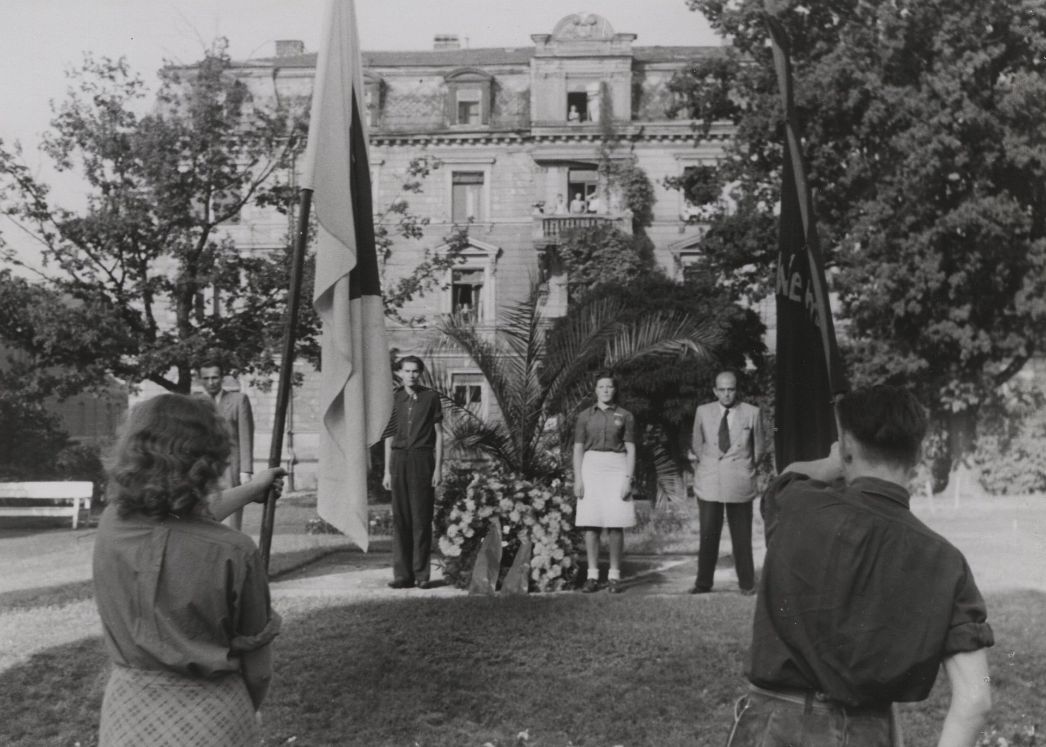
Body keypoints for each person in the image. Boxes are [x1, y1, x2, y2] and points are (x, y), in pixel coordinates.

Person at [727, 385, 993, 746]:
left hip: (775, 727)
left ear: (847, 446)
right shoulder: (947, 562)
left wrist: (833, 462)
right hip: (867, 734)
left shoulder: (797, 506)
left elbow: (788, 477)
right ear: (919, 453)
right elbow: (976, 700)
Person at [93, 394, 285, 746]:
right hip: (212, 720)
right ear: (210, 460)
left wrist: (252, 489)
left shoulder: (112, 526)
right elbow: (258, 673)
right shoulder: (235, 552)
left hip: (127, 718)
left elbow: (177, 523)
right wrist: (239, 711)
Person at [690, 370, 766, 595]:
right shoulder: (702, 412)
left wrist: (745, 467)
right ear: (715, 391)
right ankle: (703, 584)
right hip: (710, 480)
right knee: (708, 534)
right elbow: (697, 443)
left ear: (736, 389)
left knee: (742, 536)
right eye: (721, 390)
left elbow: (759, 447)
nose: (726, 394)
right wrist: (709, 464)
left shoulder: (752, 413)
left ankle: (747, 584)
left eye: (730, 389)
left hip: (739, 479)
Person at [382, 355, 443, 589]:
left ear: (421, 373)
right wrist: (388, 471)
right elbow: (388, 436)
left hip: (422, 459)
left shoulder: (431, 398)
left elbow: (439, 434)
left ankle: (421, 575)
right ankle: (402, 575)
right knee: (401, 519)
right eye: (406, 371)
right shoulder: (394, 398)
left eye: (415, 371)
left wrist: (438, 468)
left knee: (421, 517)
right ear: (399, 373)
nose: (411, 375)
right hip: (398, 460)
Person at [572, 372, 636, 594]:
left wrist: (628, 478)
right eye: (601, 387)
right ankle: (592, 576)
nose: (606, 390)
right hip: (591, 467)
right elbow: (578, 448)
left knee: (615, 523)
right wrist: (578, 478)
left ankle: (615, 576)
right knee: (592, 524)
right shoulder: (584, 416)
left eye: (609, 387)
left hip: (617, 466)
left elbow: (631, 448)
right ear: (595, 390)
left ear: (615, 390)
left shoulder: (625, 415)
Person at [198, 358, 255, 531]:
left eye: (214, 377)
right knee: (204, 516)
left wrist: (246, 470)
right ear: (200, 380)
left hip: (231, 467)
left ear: (222, 378)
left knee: (232, 515)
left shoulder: (239, 400)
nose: (211, 382)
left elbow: (246, 435)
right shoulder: (196, 404)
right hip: (203, 468)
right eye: (206, 378)